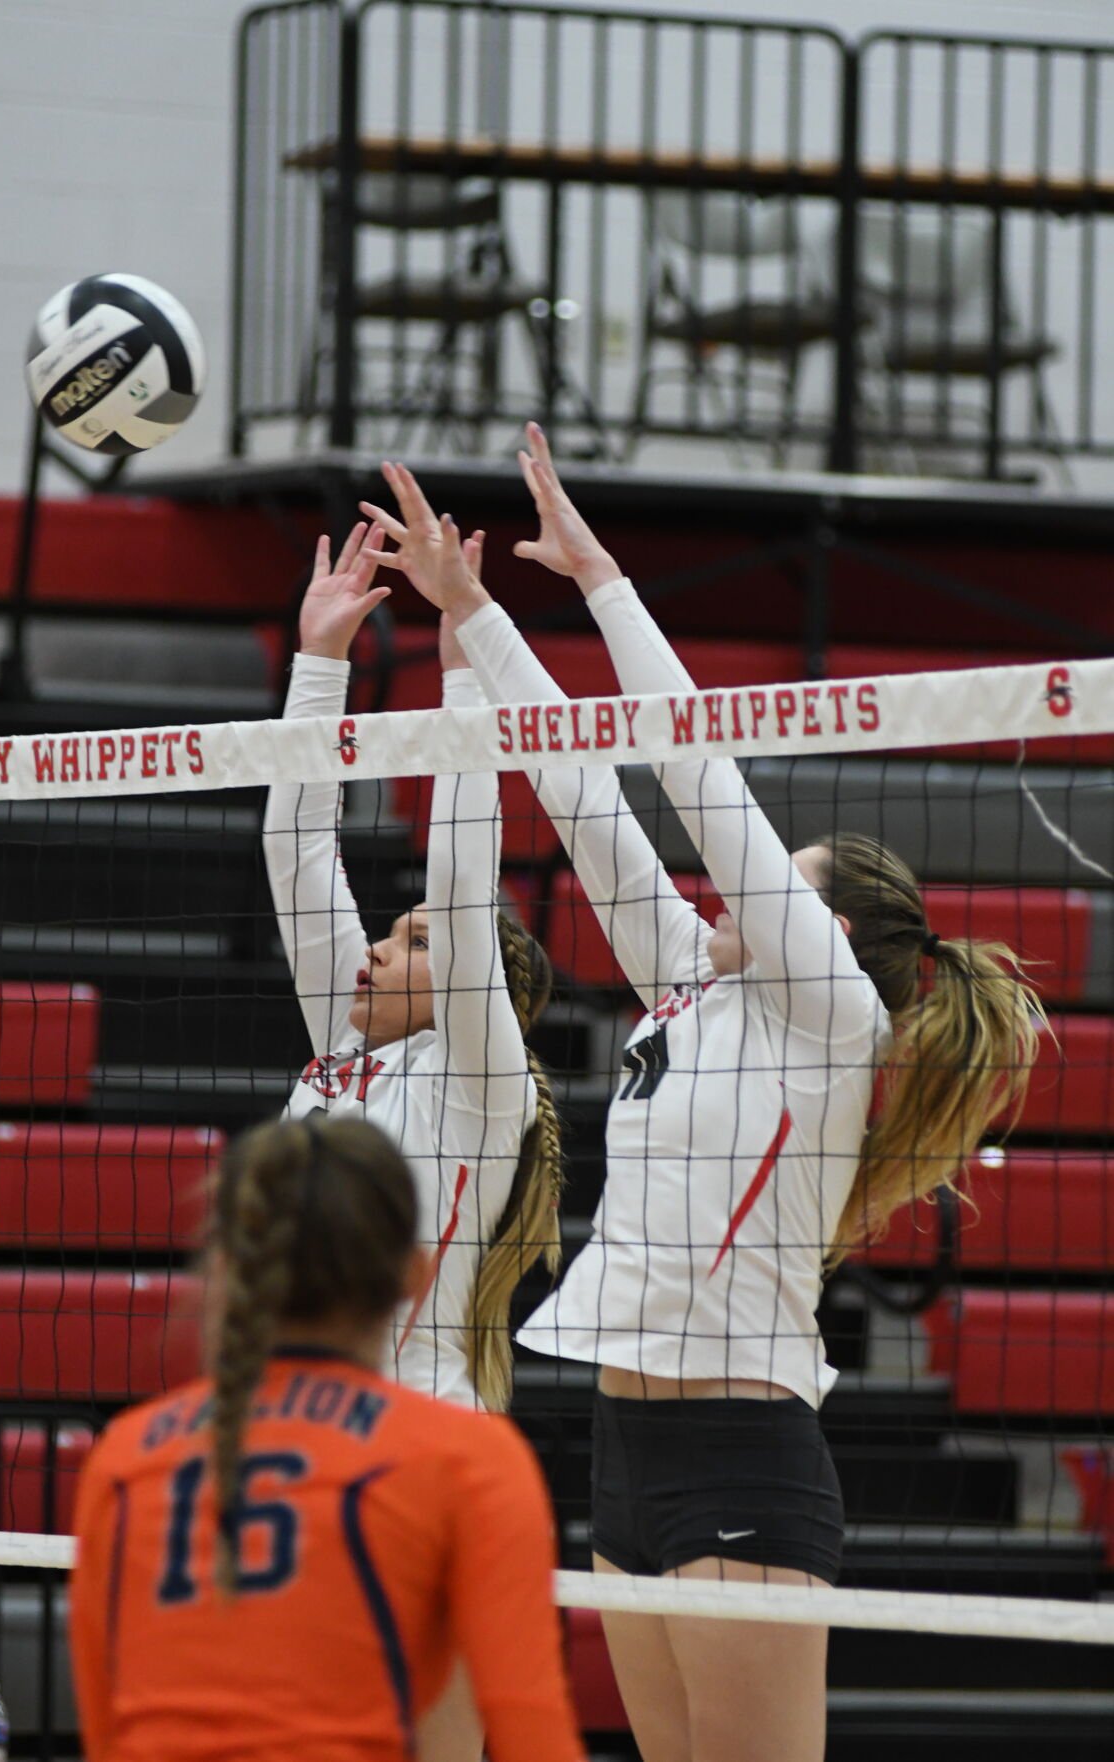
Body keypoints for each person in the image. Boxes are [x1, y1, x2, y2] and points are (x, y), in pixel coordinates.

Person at [361, 436, 1045, 1762]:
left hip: (743, 1448)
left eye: (770, 884)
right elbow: (577, 791)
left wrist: (608, 582)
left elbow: (696, 778)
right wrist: (475, 613)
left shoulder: (829, 1011)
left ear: (826, 925)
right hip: (626, 1440)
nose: (727, 892)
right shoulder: (687, 980)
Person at [69, 1113, 587, 1762]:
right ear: (415, 1277)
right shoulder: (467, 1460)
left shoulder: (125, 1453)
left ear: (227, 1268)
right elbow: (530, 1731)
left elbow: (105, 1731)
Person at [261, 520, 562, 1418]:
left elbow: (464, 887)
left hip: (415, 1425)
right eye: (393, 933)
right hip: (295, 1412)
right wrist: (320, 661)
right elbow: (299, 849)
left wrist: (463, 678)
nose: (379, 951)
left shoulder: (476, 1084)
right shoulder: (347, 1044)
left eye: (415, 944)